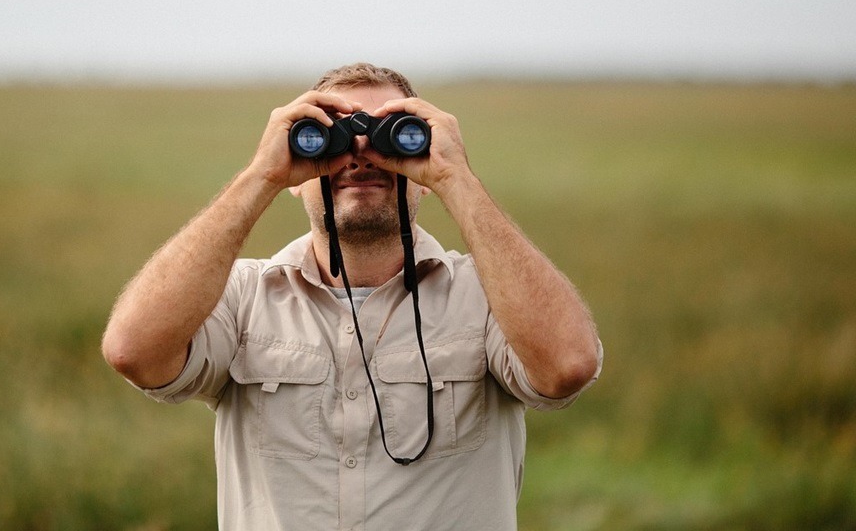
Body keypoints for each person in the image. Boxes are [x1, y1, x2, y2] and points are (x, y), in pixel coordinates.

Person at [102, 62, 602, 531]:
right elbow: (134, 351)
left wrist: (457, 178)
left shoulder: (487, 297)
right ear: (298, 172)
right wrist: (261, 177)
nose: (361, 154)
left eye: (393, 134)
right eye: (333, 134)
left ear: (422, 171)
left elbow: (566, 367)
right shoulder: (242, 297)